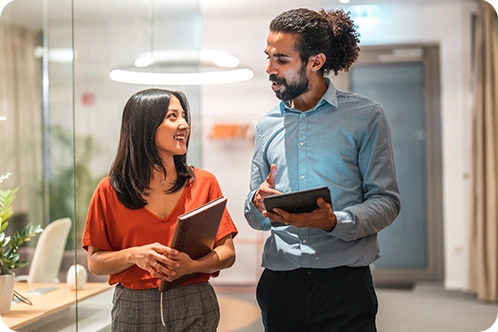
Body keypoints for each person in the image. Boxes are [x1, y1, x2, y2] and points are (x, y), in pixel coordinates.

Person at [244, 8, 401, 332]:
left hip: (344, 285)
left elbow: (386, 201)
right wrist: (257, 203)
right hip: (281, 285)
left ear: (315, 62)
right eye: (268, 56)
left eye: (282, 60)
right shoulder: (266, 126)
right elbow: (254, 217)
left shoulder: (366, 117)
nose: (269, 69)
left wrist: (333, 221)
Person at [82, 88, 238, 331]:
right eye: (172, 117)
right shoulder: (109, 190)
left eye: (184, 116)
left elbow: (227, 254)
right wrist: (134, 255)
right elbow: (95, 262)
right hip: (133, 307)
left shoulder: (205, 183)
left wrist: (192, 266)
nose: (184, 124)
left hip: (195, 300)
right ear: (144, 126)